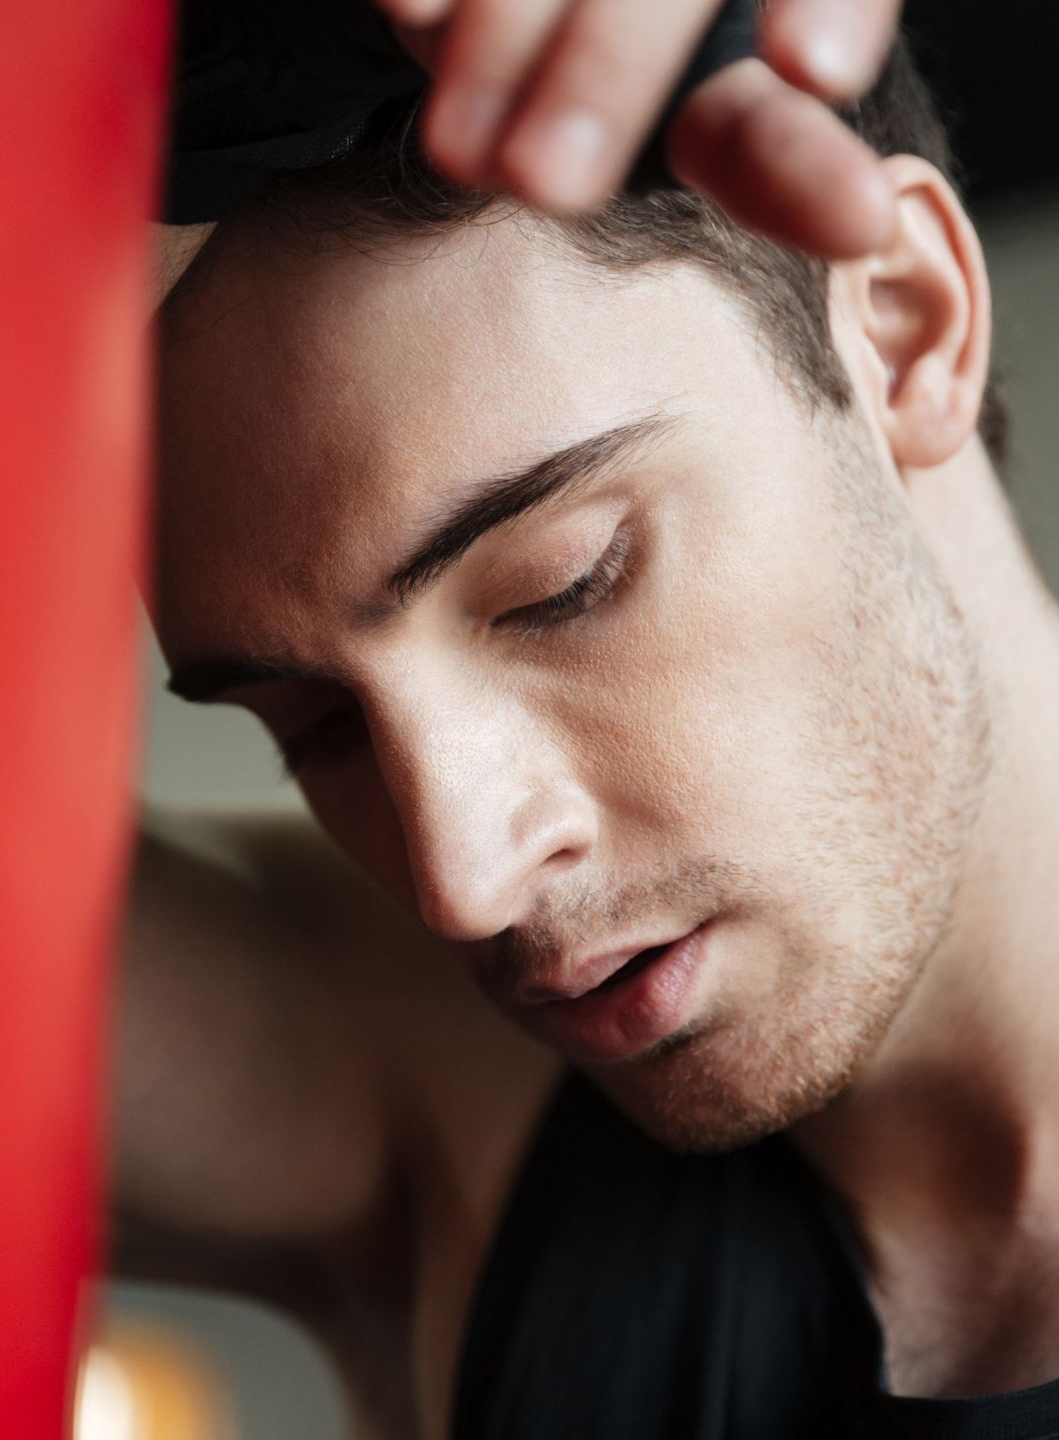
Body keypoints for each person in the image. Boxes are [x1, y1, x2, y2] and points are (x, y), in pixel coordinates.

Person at [122, 12, 1059, 1440]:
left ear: (902, 326)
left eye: (561, 590)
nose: (464, 880)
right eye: (312, 725)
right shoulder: (432, 1085)